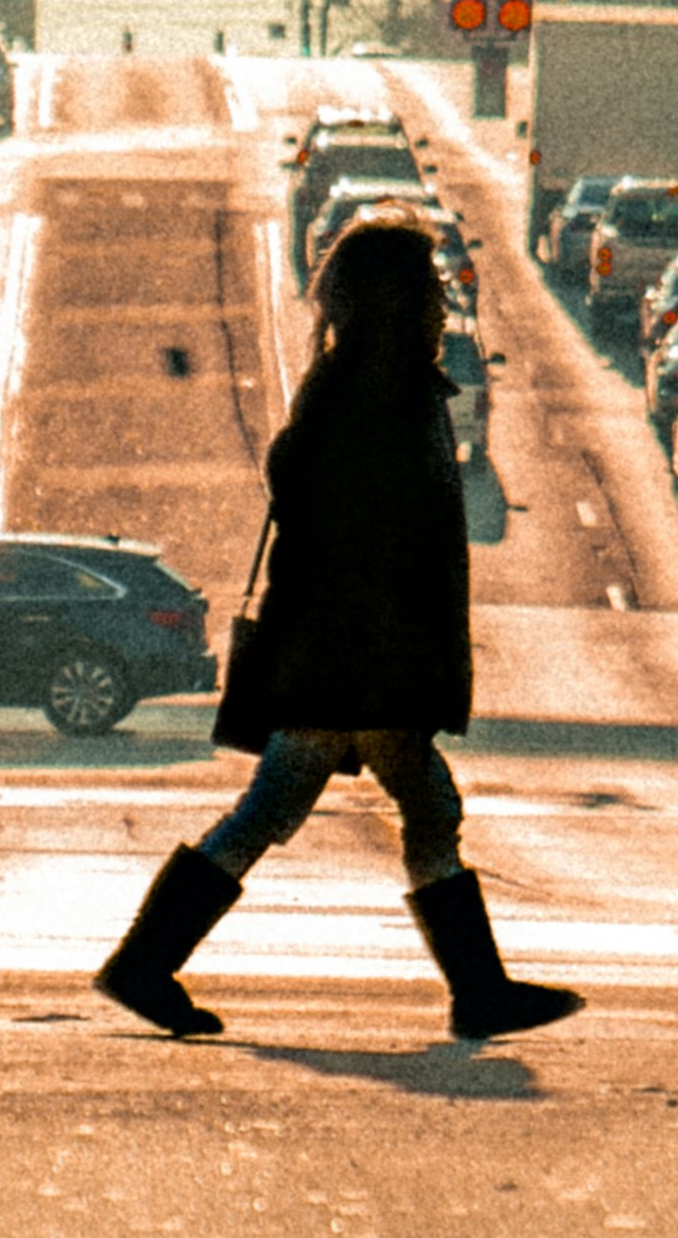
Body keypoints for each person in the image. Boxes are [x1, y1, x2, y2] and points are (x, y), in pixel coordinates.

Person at [96, 216, 576, 1045]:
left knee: (289, 813)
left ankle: (146, 962)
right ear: (396, 302)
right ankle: (477, 992)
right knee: (413, 808)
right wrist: (401, 663)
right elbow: (369, 542)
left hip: (347, 659)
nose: (443, 308)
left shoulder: (362, 387)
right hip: (360, 662)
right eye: (431, 292)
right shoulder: (375, 398)